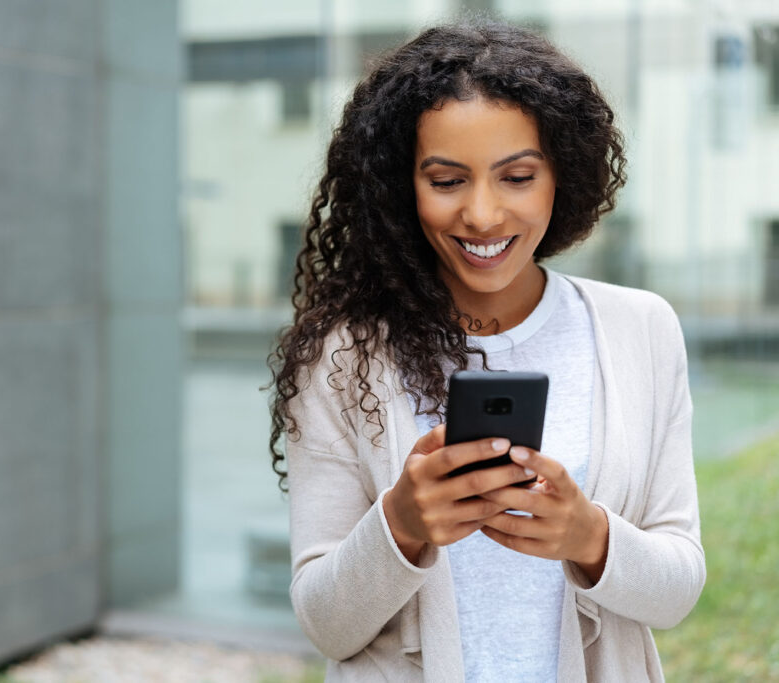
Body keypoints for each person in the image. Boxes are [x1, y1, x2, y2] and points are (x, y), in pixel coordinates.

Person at [267, 19, 705, 683]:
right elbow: (326, 623)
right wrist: (402, 523)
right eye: (446, 181)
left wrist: (588, 535)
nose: (482, 215)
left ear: (561, 175)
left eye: (517, 176)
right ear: (398, 187)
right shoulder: (343, 355)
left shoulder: (640, 329)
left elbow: (677, 589)